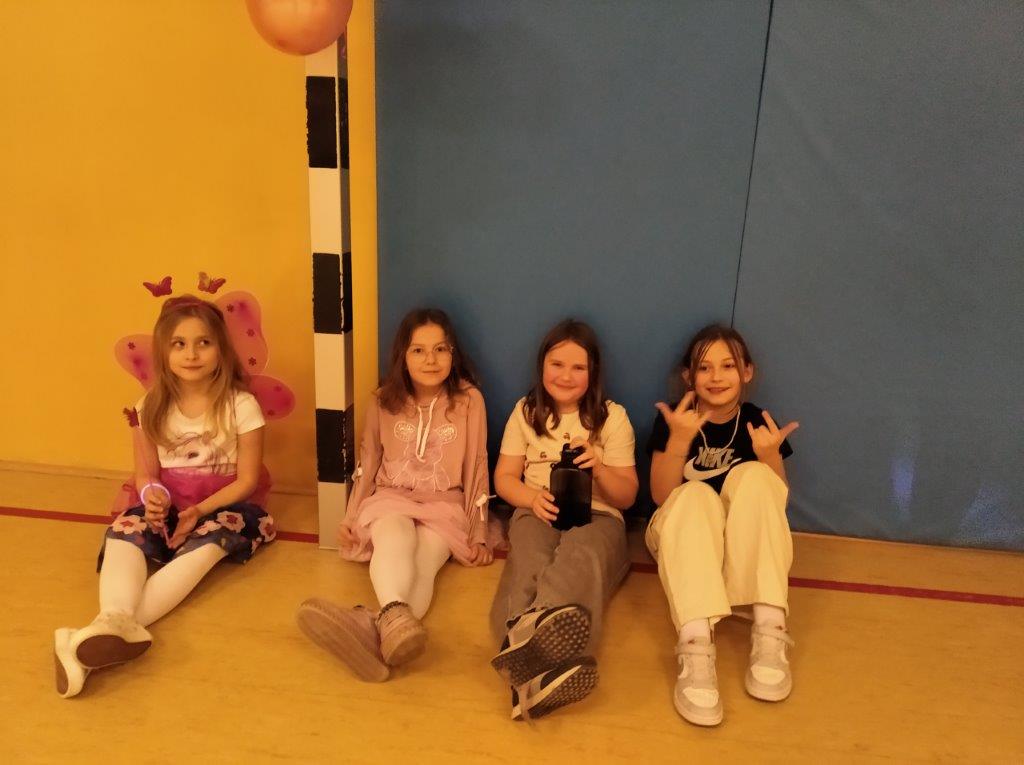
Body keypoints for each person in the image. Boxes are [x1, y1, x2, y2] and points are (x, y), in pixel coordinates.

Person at [54, 295, 274, 698]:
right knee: (124, 531)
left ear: (221, 349)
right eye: (179, 344)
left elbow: (247, 480)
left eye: (203, 343)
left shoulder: (242, 405)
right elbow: (146, 474)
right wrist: (153, 495)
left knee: (206, 548)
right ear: (164, 352)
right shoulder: (149, 406)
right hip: (172, 501)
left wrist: (199, 511)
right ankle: (111, 621)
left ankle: (88, 638)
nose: (191, 354)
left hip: (224, 505)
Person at [297, 308, 492, 682]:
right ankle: (388, 632)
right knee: (396, 538)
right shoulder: (383, 400)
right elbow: (367, 461)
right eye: (418, 350)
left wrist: (479, 530)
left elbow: (477, 464)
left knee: (425, 563)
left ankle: (370, 627)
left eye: (440, 349)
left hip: (445, 503)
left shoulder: (470, 401)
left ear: (453, 354)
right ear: (402, 355)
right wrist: (351, 516)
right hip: (391, 497)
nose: (430, 360)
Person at [647, 324, 798, 726]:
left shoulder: (756, 421)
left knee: (756, 477)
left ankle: (770, 627)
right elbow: (661, 496)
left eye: (728, 366)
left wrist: (770, 457)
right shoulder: (676, 419)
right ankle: (696, 641)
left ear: (747, 371)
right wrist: (679, 441)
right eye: (704, 367)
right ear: (689, 376)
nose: (716, 376)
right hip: (680, 536)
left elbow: (775, 504)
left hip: (737, 546)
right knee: (695, 494)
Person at [489, 319, 638, 720]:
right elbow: (504, 478)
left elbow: (627, 495)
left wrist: (599, 468)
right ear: (542, 365)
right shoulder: (526, 413)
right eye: (557, 364)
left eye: (578, 367)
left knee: (580, 554)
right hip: (537, 508)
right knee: (528, 563)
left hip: (599, 515)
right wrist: (531, 498)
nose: (566, 376)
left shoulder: (612, 418)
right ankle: (544, 672)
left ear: (593, 372)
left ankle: (525, 649)